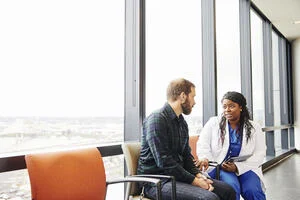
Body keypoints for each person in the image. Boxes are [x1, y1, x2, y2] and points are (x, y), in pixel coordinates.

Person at [137, 78, 236, 200]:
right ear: (183, 96)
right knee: (209, 198)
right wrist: (195, 181)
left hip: (177, 178)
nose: (194, 102)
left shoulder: (181, 122)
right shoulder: (157, 119)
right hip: (156, 182)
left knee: (228, 191)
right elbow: (164, 162)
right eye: (193, 97)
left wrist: (198, 175)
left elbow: (186, 156)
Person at [195, 91, 266, 200]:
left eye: (232, 106)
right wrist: (205, 158)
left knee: (253, 190)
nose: (227, 110)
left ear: (241, 107)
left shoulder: (254, 127)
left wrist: (237, 167)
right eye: (224, 107)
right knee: (232, 188)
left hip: (246, 167)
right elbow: (203, 144)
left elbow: (260, 153)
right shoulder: (213, 123)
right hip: (221, 167)